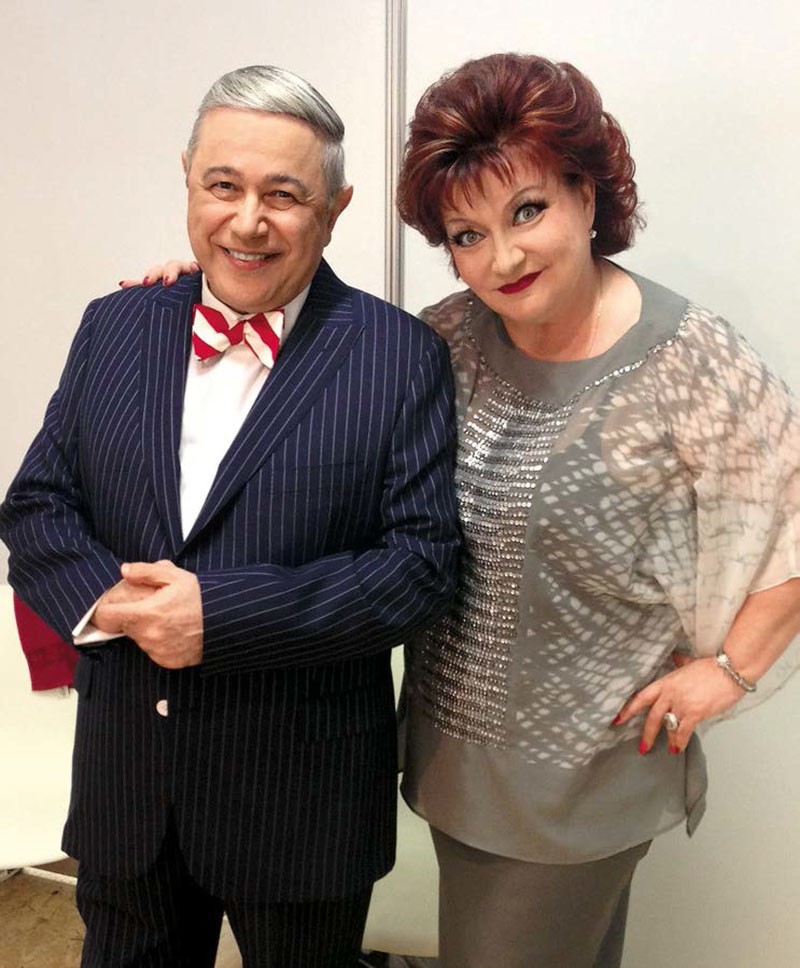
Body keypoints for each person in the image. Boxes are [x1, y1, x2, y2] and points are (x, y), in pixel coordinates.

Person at [125, 52, 800, 968]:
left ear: (588, 195)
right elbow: (307, 358)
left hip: (581, 781)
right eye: (468, 233)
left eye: (528, 211)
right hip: (457, 767)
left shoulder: (689, 361)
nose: (503, 257)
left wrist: (728, 671)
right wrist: (199, 290)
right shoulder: (444, 339)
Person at [0, 65, 460, 968]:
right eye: (223, 186)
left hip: (301, 801)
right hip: (129, 786)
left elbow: (420, 568)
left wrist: (218, 615)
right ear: (188, 181)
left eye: (283, 195)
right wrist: (110, 603)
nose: (247, 221)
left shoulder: (400, 355)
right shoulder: (115, 324)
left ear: (335, 208)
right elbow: (38, 504)